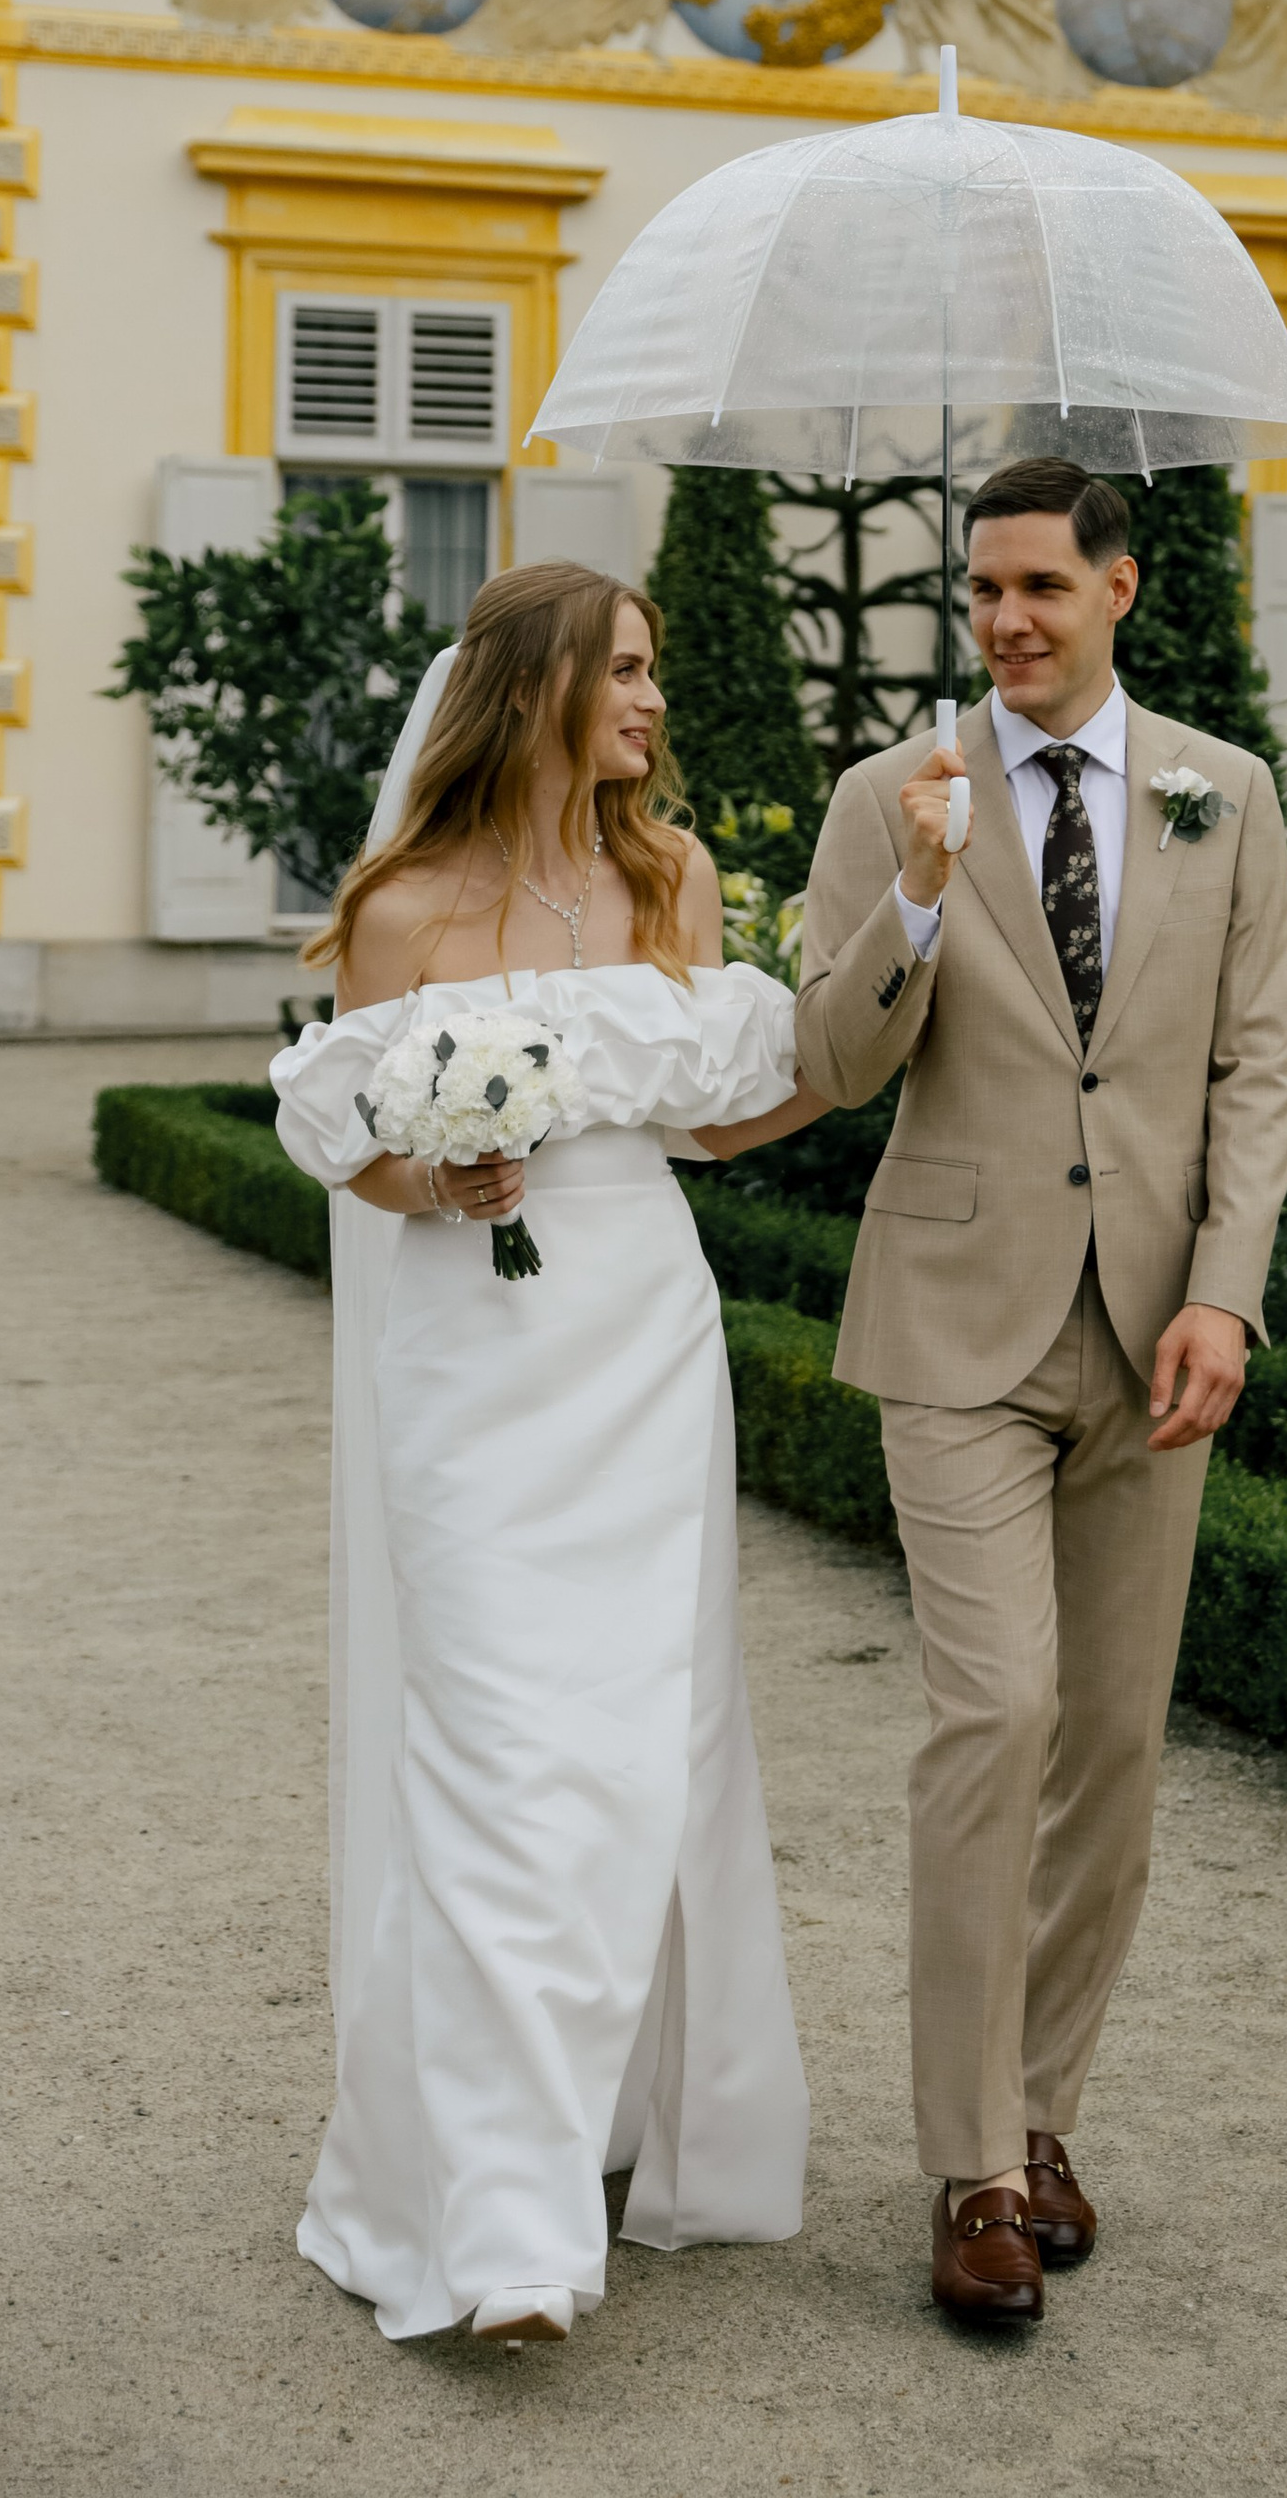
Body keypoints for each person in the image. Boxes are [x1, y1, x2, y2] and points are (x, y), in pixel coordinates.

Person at [270, 561, 826, 2347]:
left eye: (656, 674)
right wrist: (443, 1176)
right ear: (536, 689)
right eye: (631, 673)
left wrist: (885, 1005)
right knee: (501, 1752)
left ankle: (609, 2124)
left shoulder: (668, 879)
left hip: (640, 1344)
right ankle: (500, 2229)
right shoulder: (406, 908)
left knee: (639, 1746)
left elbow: (729, 1118)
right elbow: (356, 1148)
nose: (656, 705)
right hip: (469, 1365)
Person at [795, 457, 1287, 2327]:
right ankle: (972, 2169)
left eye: (1039, 588)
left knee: (1112, 1746)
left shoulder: (1222, 795)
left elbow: (1259, 1072)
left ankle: (1044, 2109)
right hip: (954, 1323)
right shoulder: (888, 800)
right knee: (995, 1714)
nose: (1006, 620)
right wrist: (916, 899)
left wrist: (1227, 1302)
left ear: (1119, 590)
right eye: (982, 592)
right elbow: (832, 1062)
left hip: (1154, 1329)